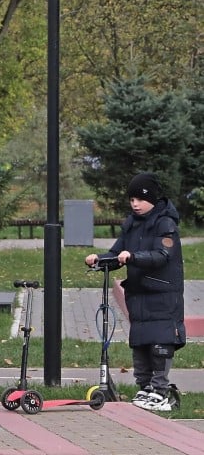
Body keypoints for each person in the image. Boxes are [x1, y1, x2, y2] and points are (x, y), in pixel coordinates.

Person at [85, 172, 184, 412]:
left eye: (139, 199)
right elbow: (117, 252)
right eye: (131, 200)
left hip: (162, 295)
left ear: (151, 198)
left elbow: (162, 255)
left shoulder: (165, 223)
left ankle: (161, 390)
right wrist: (100, 259)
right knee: (140, 344)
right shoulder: (132, 225)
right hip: (139, 296)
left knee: (160, 343)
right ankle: (145, 386)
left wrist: (133, 257)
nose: (135, 204)